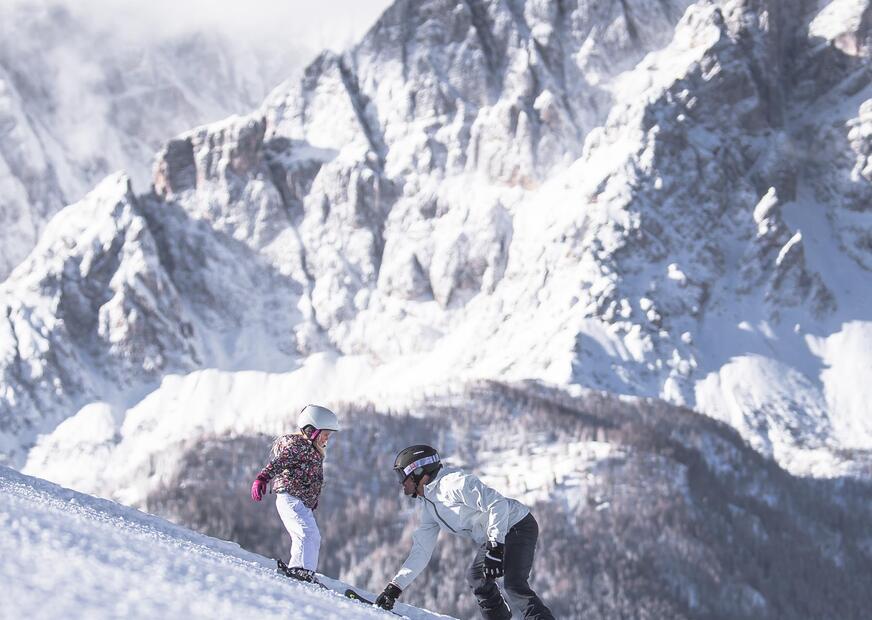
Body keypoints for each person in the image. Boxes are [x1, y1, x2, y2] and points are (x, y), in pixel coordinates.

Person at [375, 445, 554, 619]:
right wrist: (395, 587)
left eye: (402, 476)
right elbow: (422, 550)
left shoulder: (453, 484)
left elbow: (498, 503)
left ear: (419, 472)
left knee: (514, 585)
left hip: (517, 524)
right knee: (477, 579)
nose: (401, 483)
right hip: (497, 532)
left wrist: (495, 547)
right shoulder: (429, 506)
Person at [250, 404, 339, 583]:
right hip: (289, 497)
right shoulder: (298, 446)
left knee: (308, 535)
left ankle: (301, 569)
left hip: (299, 500)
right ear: (311, 430)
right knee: (307, 533)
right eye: (325, 434)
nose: (327, 439)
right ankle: (302, 571)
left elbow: (311, 477)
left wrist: (312, 498)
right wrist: (262, 478)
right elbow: (279, 462)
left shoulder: (312, 450)